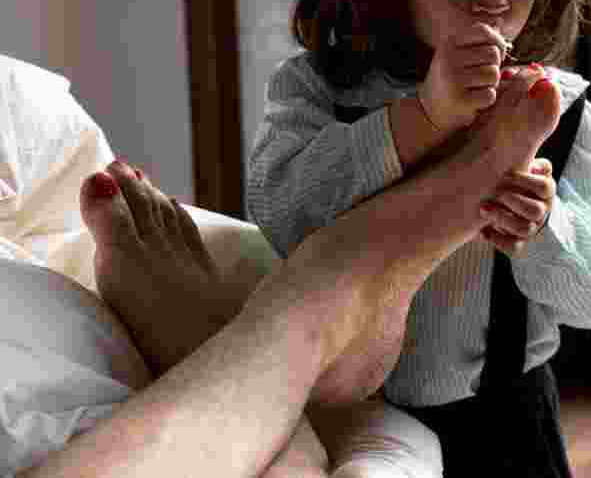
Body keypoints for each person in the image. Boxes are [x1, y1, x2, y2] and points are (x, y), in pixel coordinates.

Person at [246, 0, 591, 476]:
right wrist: (421, 117)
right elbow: (282, 213)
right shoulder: (322, 90)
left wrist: (546, 229)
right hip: (354, 412)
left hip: (508, 420)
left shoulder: (559, 114)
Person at [21, 65, 561, 477]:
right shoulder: (311, 85)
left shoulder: (580, 123)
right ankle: (313, 308)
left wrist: (548, 232)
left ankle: (248, 336)